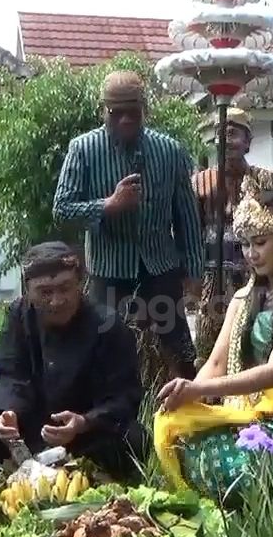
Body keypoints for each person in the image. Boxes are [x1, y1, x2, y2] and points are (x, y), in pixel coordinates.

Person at [152, 188, 273, 506]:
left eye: (261, 243)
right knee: (185, 441)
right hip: (252, 413)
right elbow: (216, 363)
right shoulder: (243, 298)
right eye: (246, 244)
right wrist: (187, 399)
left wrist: (194, 393)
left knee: (233, 469)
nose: (251, 253)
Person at [0, 242, 148, 486]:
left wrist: (85, 422)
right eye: (45, 292)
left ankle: (101, 485)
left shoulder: (108, 325)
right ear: (28, 290)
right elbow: (9, 371)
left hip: (84, 436)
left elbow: (125, 397)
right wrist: (8, 412)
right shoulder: (20, 315)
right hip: (30, 426)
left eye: (65, 288)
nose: (56, 301)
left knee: (136, 437)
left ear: (80, 284)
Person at [53, 70, 204, 379]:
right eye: (116, 113)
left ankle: (191, 416)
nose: (124, 120)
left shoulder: (170, 150)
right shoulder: (82, 149)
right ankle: (111, 420)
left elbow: (186, 215)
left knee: (181, 354)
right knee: (103, 352)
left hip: (160, 268)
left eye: (132, 112)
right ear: (103, 111)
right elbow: (62, 210)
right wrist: (108, 205)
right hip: (109, 272)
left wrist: (194, 271)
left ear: (144, 109)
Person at [193, 108, 273, 362]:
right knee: (209, 350)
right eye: (221, 134)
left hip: (255, 277)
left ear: (248, 142)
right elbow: (190, 235)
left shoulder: (267, 181)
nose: (226, 140)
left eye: (233, 133)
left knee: (254, 347)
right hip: (211, 280)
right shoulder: (199, 182)